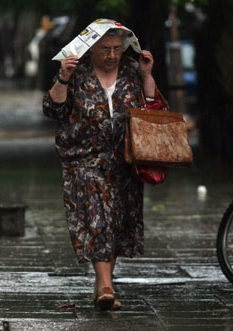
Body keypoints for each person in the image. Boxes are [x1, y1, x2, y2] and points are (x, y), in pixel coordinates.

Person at [42, 21, 163, 311]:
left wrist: (147, 74)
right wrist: (62, 78)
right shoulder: (77, 72)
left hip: (125, 159)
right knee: (98, 216)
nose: (111, 55)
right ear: (91, 49)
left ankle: (101, 285)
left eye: (117, 49)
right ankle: (107, 284)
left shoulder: (133, 71)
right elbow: (53, 109)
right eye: (105, 49)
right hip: (84, 159)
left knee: (116, 222)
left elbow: (153, 105)